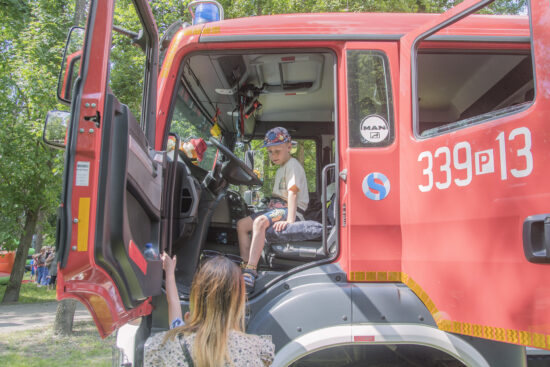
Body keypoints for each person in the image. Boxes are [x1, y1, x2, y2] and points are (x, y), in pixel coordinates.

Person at [144, 253, 274, 367]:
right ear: (239, 301)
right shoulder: (254, 349)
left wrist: (169, 272)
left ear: (197, 295)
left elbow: (173, 303)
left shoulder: (168, 345)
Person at [237, 127, 309, 292]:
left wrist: (290, 221)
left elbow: (292, 193)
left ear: (289, 147)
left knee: (259, 223)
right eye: (270, 152)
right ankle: (246, 263)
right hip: (277, 209)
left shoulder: (293, 165)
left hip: (292, 211)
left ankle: (251, 270)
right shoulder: (282, 168)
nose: (273, 155)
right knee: (242, 225)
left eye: (277, 151)